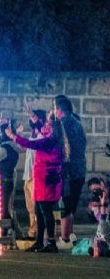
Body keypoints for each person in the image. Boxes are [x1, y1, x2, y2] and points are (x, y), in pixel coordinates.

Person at [6, 112, 67, 253]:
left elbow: (30, 144)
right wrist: (36, 121)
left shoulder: (51, 140)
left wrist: (13, 136)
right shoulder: (51, 136)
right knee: (39, 212)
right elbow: (41, 130)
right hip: (41, 178)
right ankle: (39, 241)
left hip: (47, 179)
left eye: (48, 123)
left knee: (46, 212)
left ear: (53, 126)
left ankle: (51, 242)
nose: (45, 125)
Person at [54, 95, 86, 248]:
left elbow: (57, 145)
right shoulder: (78, 123)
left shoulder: (62, 124)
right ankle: (71, 235)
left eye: (55, 109)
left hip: (67, 170)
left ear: (59, 110)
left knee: (65, 204)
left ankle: (65, 239)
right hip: (80, 169)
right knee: (72, 203)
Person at [0, 122, 22, 242]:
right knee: (5, 207)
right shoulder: (8, 147)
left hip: (3, 180)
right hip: (5, 180)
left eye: (1, 133)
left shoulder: (5, 148)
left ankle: (10, 230)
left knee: (3, 207)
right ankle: (14, 231)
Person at [20, 109, 46, 241]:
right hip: (28, 175)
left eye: (35, 118)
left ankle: (37, 232)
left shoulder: (43, 136)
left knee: (37, 206)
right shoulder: (32, 136)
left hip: (37, 176)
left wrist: (34, 117)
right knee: (30, 206)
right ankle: (32, 230)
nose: (32, 120)